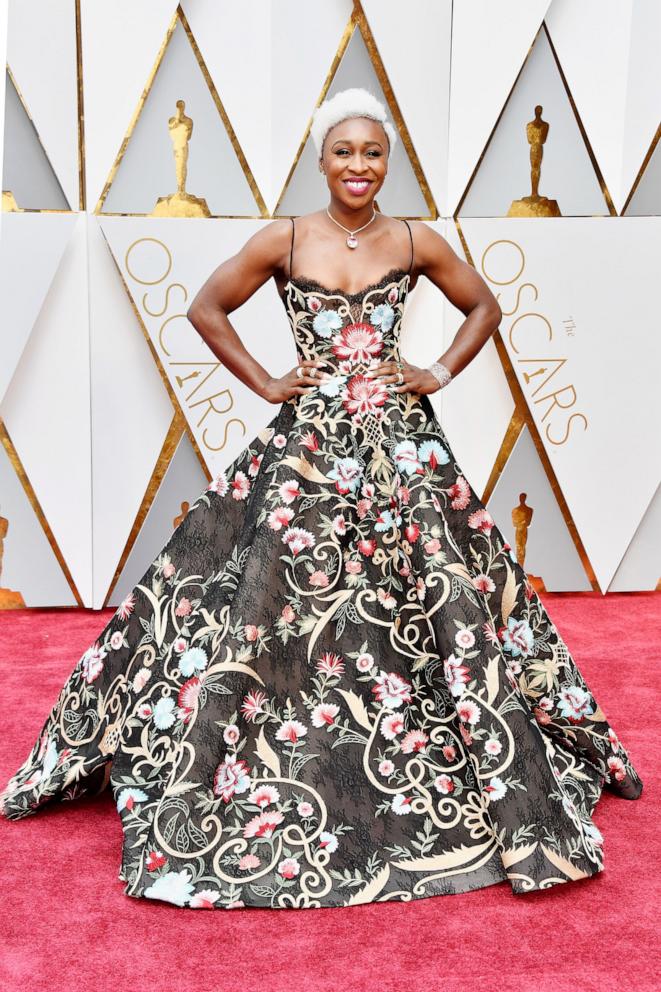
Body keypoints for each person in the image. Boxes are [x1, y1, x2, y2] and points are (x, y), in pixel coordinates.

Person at [0, 87, 642, 911]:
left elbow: (483, 305)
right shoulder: (286, 237)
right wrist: (268, 381)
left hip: (400, 449)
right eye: (344, 152)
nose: (358, 166)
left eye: (372, 153)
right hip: (305, 451)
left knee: (437, 592)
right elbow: (206, 307)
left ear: (388, 162)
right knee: (267, 598)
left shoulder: (414, 239)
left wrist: (434, 373)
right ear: (320, 158)